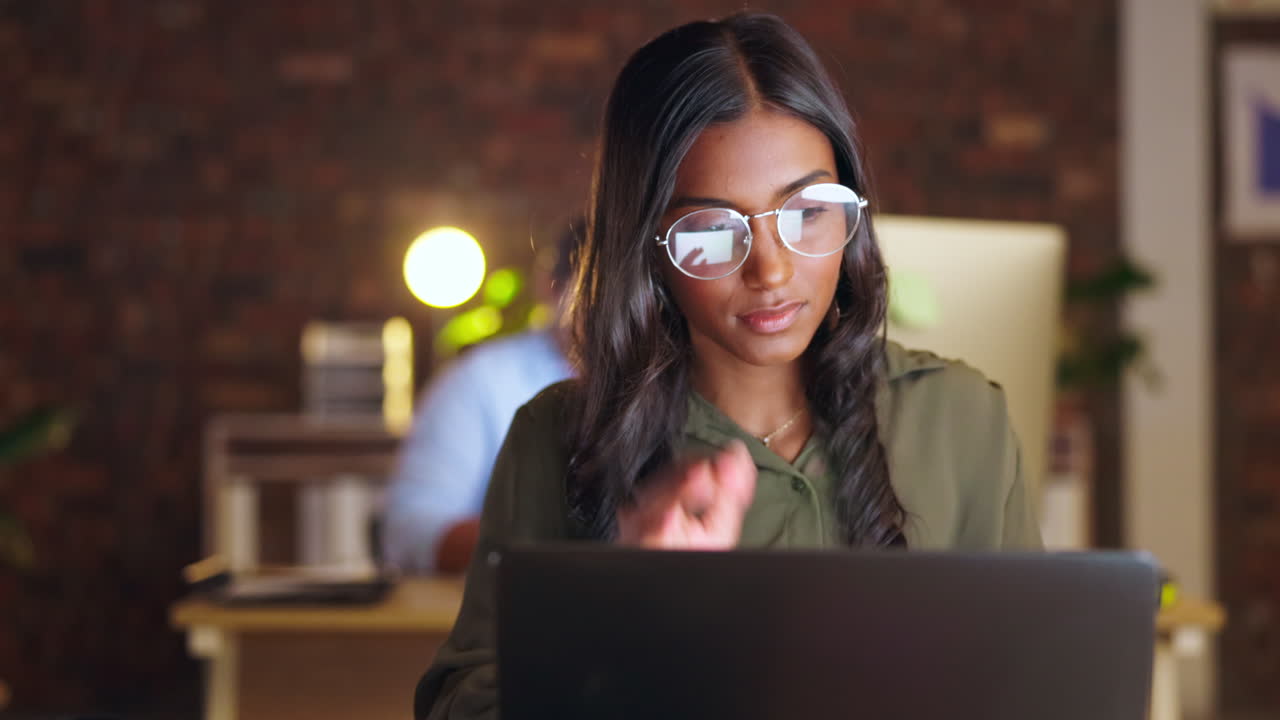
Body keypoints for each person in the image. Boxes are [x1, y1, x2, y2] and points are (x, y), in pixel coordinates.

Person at [414, 12, 1041, 719]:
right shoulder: (558, 439)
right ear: (649, 246)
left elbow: (1031, 687)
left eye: (807, 211)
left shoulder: (961, 418)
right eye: (712, 229)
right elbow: (462, 708)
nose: (770, 271)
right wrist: (626, 613)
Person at [381, 220, 580, 574]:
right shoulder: (480, 382)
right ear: (551, 288)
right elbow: (410, 532)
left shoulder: (677, 381)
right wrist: (562, 545)